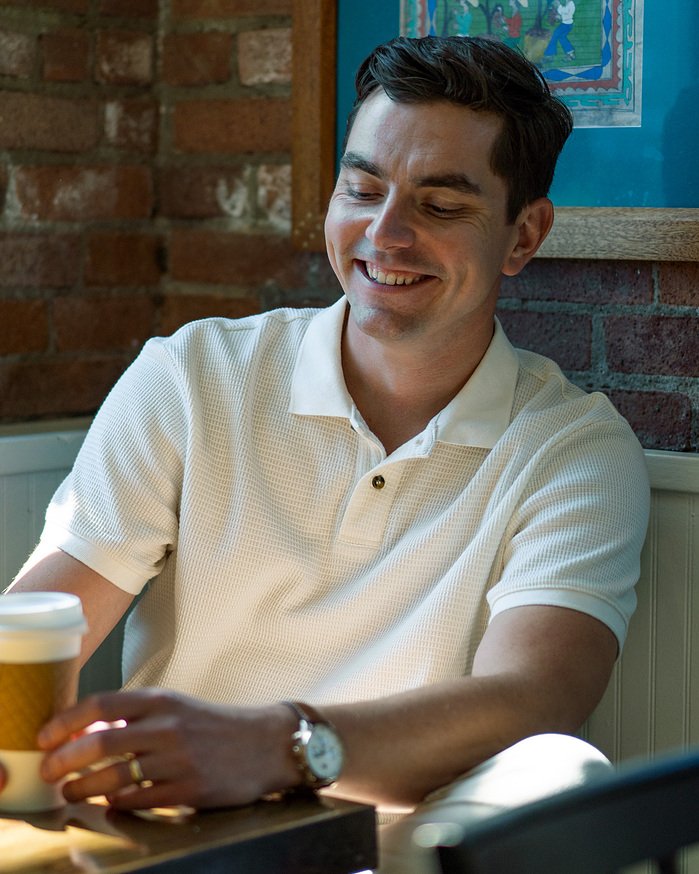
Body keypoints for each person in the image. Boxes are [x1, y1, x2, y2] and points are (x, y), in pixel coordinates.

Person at [6, 35, 648, 873]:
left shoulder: (573, 446)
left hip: (399, 848)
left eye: (441, 206)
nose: (386, 234)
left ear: (522, 236)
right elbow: (42, 616)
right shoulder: (193, 375)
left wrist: (280, 746)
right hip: (178, 843)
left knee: (562, 767)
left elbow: (535, 697)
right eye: (363, 187)